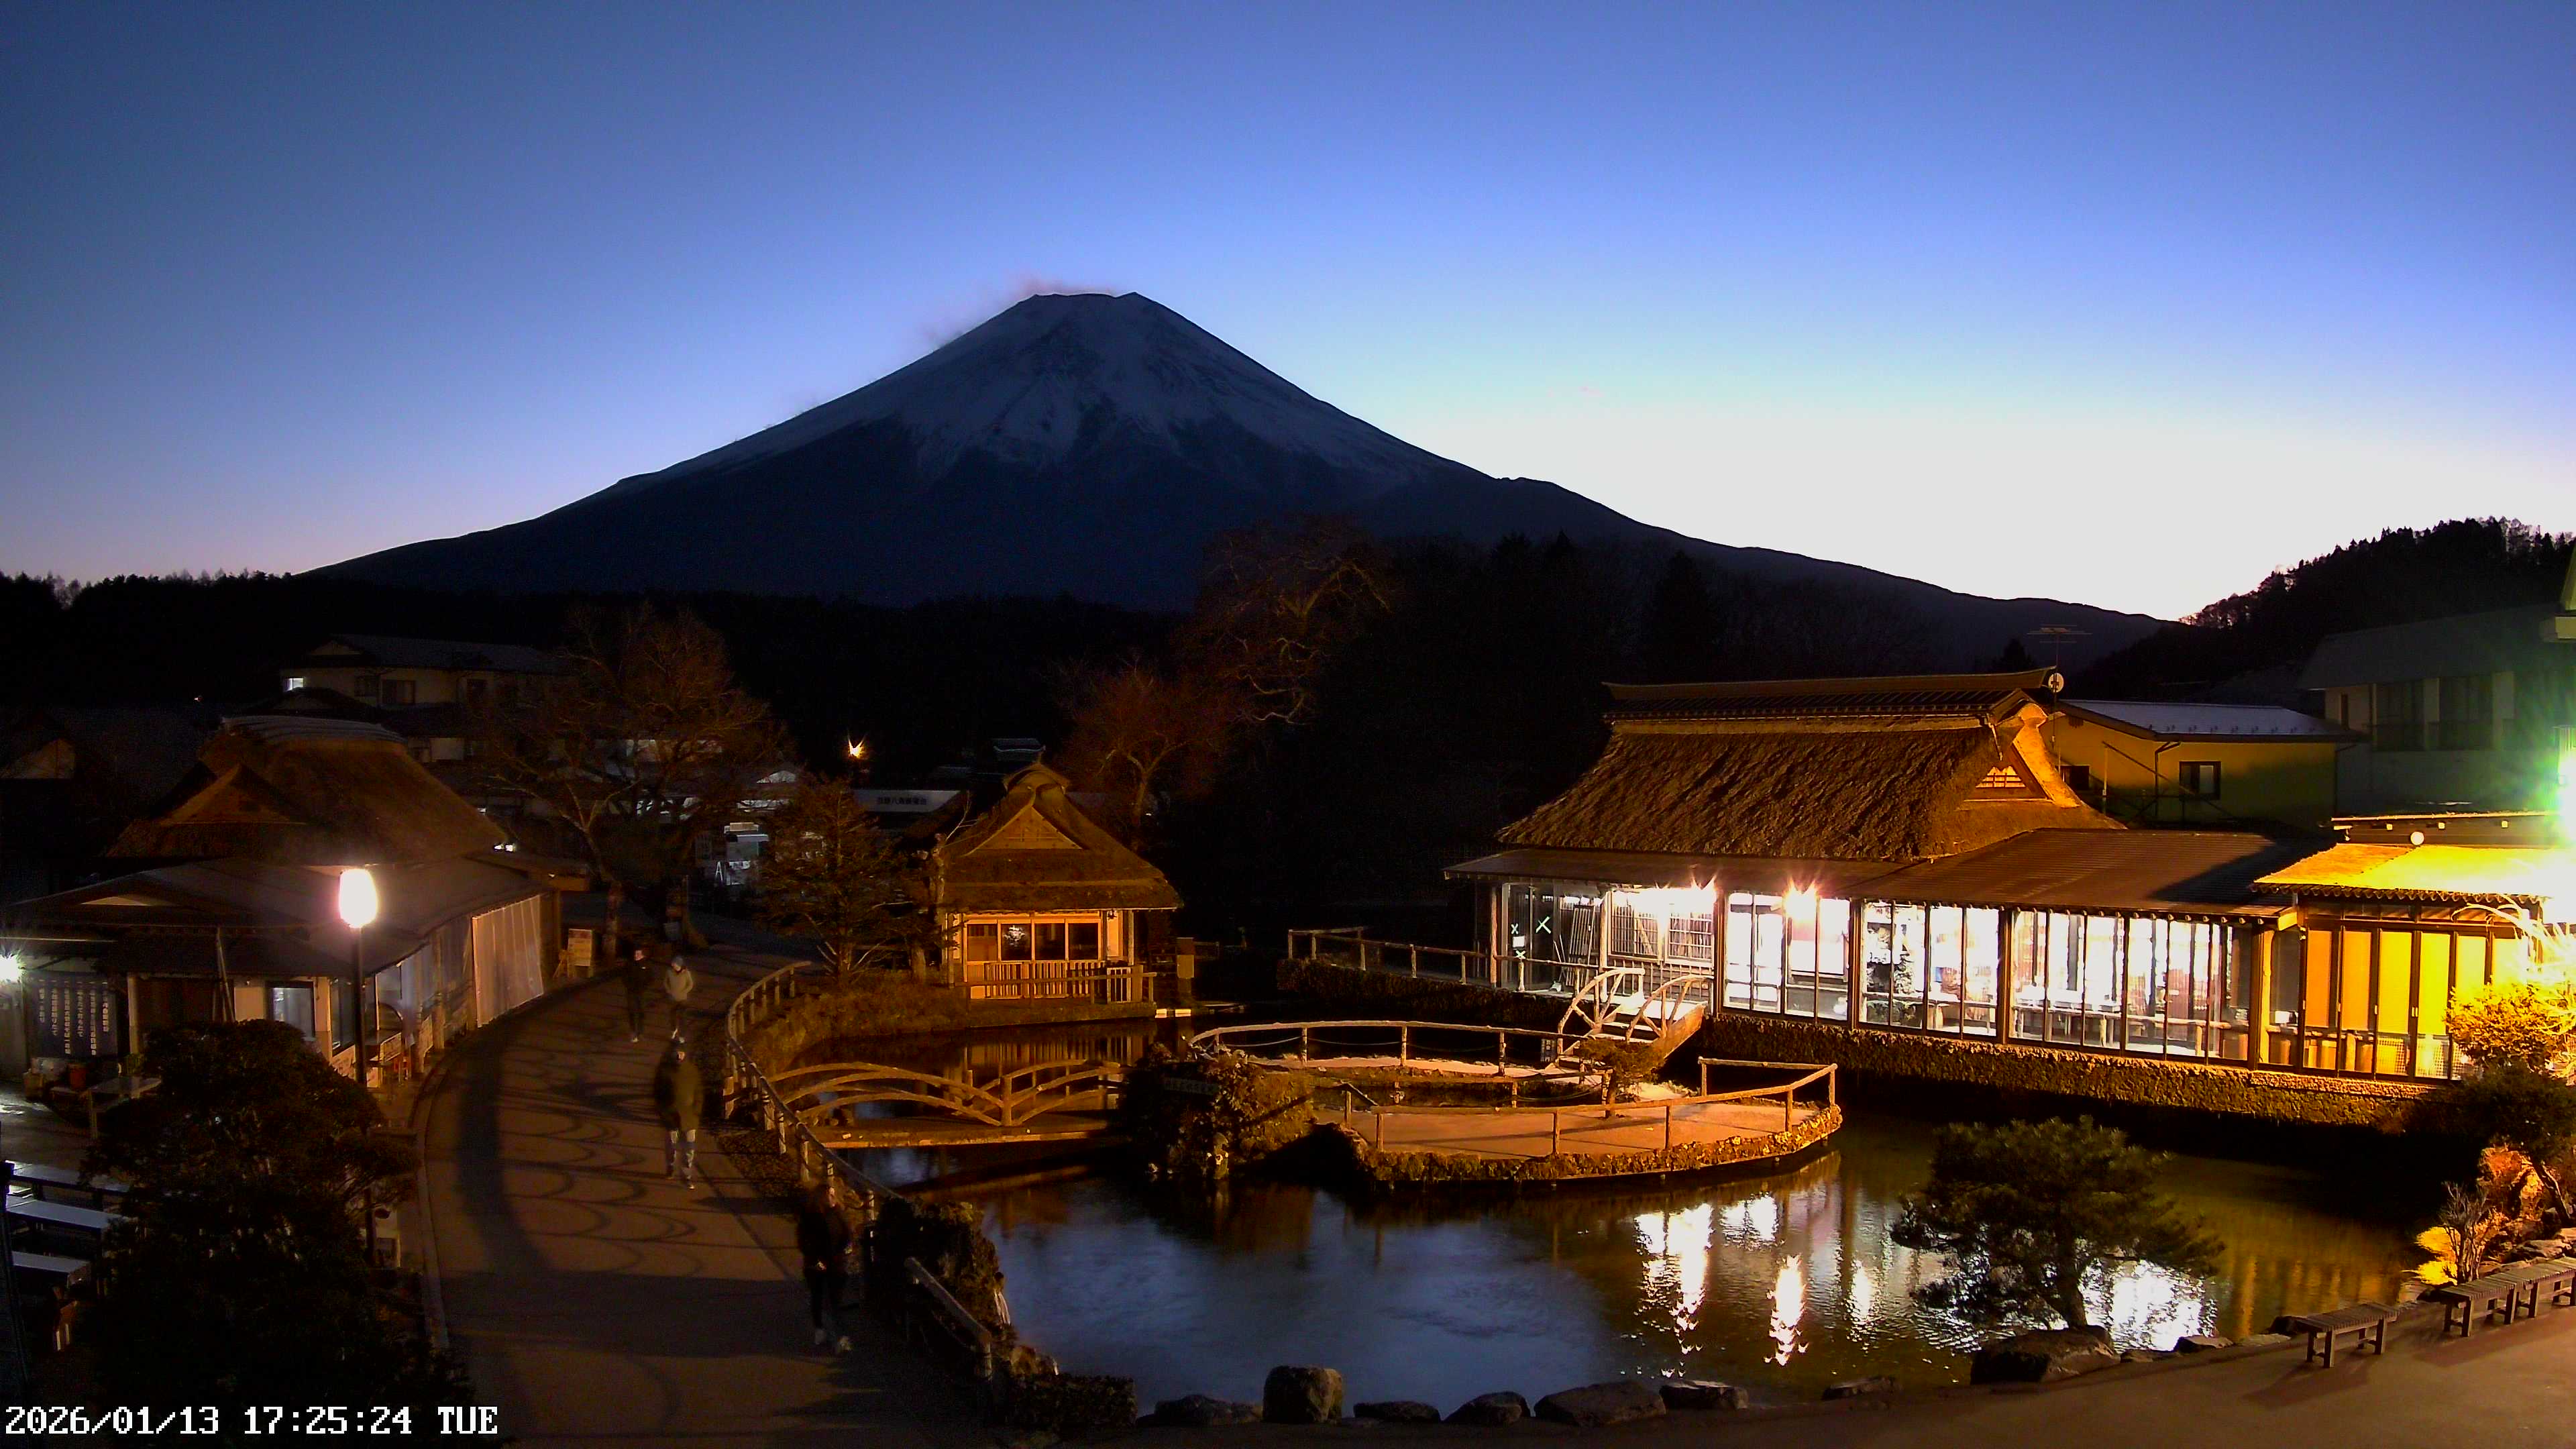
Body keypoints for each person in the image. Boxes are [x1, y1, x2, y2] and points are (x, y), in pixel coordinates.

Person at [794, 1179, 855, 1353]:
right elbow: (804, 1242)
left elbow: (848, 1236)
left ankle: (840, 1338)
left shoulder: (838, 1213)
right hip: (817, 1265)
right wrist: (816, 1261)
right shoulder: (810, 1217)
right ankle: (820, 1328)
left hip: (836, 1265)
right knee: (818, 1297)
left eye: (833, 1194)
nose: (832, 1196)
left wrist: (845, 1255)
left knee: (835, 1302)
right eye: (829, 1194)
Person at [651, 1035, 704, 1189]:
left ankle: (687, 1175)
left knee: (689, 1148)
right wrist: (663, 1112)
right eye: (677, 1052)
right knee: (671, 1145)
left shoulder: (692, 1071)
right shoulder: (664, 1071)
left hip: (689, 1117)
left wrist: (696, 1110)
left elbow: (699, 1092)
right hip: (671, 1115)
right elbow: (657, 1093)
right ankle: (671, 1167)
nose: (679, 1055)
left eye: (682, 1052)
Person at [621, 945, 653, 1043]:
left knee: (641, 1013)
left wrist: (645, 988)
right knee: (632, 1012)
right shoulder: (629, 964)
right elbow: (624, 976)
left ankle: (641, 1033)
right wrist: (628, 986)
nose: (636, 955)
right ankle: (633, 1032)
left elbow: (651, 978)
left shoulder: (647, 965)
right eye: (635, 953)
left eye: (638, 954)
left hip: (642, 993)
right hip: (631, 992)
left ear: (643, 955)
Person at [663, 953, 697, 1036]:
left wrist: (685, 991)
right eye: (673, 965)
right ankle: (674, 1029)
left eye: (675, 965)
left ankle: (682, 1035)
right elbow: (665, 982)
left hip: (683, 999)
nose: (674, 966)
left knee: (682, 1018)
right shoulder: (669, 972)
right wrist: (669, 990)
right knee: (672, 1016)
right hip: (673, 998)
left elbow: (690, 984)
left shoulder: (686, 973)